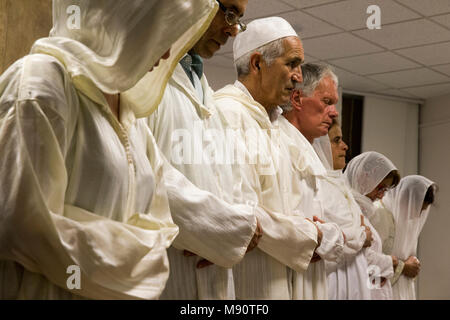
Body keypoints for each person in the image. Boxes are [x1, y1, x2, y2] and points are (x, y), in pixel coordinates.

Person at [0, 0, 226, 299]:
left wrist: (101, 239)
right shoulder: (42, 82)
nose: (168, 53)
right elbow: (22, 227)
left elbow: (164, 226)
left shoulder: (129, 112)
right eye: (156, 31)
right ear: (120, 17)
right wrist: (137, 256)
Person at [123, 0, 261, 300]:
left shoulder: (204, 88)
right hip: (171, 268)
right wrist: (224, 232)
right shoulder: (142, 73)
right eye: (228, 12)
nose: (233, 30)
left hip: (218, 269)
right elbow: (143, 172)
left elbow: (235, 171)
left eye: (238, 18)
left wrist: (244, 225)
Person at [213, 17, 344, 299]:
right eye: (292, 64)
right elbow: (243, 214)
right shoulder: (226, 113)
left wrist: (314, 232)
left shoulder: (278, 126)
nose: (298, 76)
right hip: (251, 282)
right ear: (258, 64)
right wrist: (315, 237)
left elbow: (308, 213)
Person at [283, 63, 371, 300]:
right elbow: (300, 228)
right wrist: (328, 236)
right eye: (326, 101)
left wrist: (325, 236)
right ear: (298, 98)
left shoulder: (308, 153)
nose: (334, 112)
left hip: (315, 279)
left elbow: (322, 233)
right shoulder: (277, 144)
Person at [344, 151, 402, 299]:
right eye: (380, 187)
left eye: (386, 190)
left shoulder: (364, 211)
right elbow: (355, 256)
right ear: (363, 178)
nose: (382, 195)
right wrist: (390, 262)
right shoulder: (348, 210)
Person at [376, 175, 437, 300]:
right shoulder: (379, 215)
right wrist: (403, 267)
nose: (417, 217)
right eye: (417, 210)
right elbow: (368, 263)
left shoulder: (403, 222)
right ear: (405, 200)